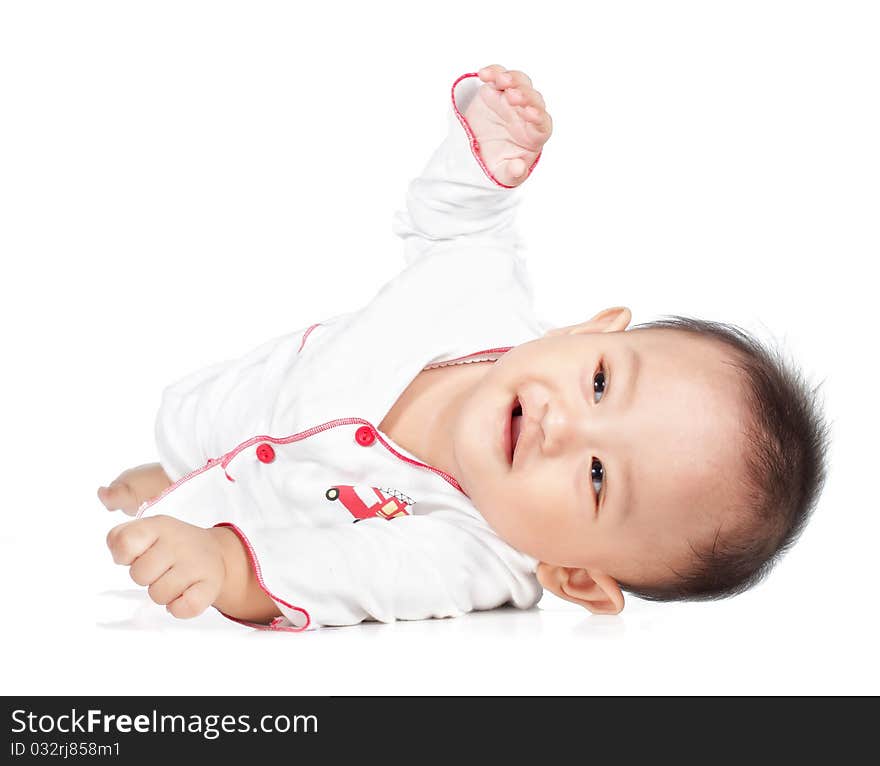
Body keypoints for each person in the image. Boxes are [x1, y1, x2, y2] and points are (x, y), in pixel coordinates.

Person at [98, 64, 828, 631]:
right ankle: (171, 468)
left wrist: (227, 565)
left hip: (245, 518)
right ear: (589, 332)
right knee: (186, 439)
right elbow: (456, 219)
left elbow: (354, 571)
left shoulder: (476, 554)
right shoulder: (484, 296)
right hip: (221, 399)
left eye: (600, 477)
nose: (563, 426)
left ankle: (177, 491)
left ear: (574, 574)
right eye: (601, 384)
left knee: (184, 511)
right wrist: (492, 150)